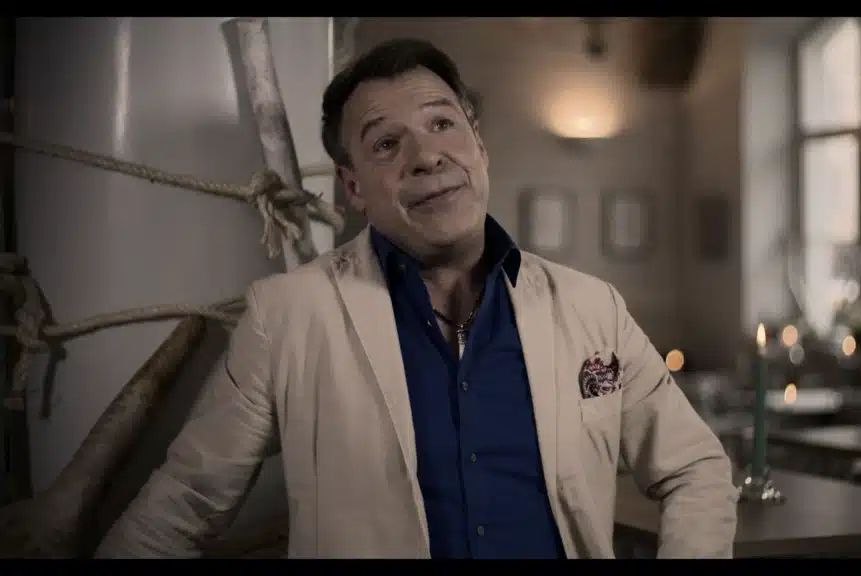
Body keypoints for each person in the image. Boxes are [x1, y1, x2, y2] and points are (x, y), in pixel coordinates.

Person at [96, 37, 737, 559]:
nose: (427, 156)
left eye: (442, 123)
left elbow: (696, 469)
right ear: (353, 186)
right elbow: (181, 508)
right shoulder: (285, 317)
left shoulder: (593, 308)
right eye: (386, 143)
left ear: (479, 145)